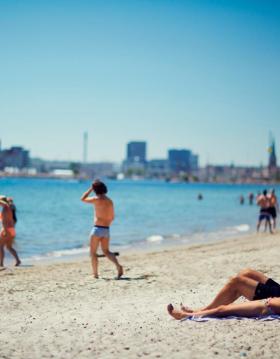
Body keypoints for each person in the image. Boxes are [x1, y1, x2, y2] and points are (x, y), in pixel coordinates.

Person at [167, 268, 280, 320]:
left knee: (237, 281)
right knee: (247, 273)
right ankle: (202, 310)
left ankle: (195, 313)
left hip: (271, 302)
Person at [81, 180, 123, 279]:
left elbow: (82, 199)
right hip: (106, 229)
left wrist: (90, 189)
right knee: (106, 251)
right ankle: (118, 266)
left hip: (97, 229)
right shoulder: (110, 201)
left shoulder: (96, 199)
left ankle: (95, 274)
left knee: (93, 253)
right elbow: (112, 217)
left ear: (95, 190)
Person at [0, 196, 21, 267]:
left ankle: (1, 264)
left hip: (6, 229)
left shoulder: (5, 209)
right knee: (9, 247)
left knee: (0, 246)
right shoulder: (9, 208)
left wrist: (5, 231)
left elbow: (4, 221)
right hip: (12, 230)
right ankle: (18, 260)